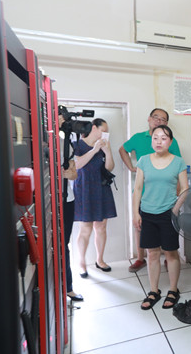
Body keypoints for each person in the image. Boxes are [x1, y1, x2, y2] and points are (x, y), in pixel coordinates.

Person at [120, 108, 182, 273]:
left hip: (165, 196)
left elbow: (177, 167)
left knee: (168, 230)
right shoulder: (139, 138)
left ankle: (170, 258)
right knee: (139, 226)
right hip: (143, 195)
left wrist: (177, 196)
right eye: (156, 117)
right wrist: (132, 168)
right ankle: (141, 259)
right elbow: (122, 149)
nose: (158, 121)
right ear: (149, 119)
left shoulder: (171, 141)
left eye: (163, 119)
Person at [132, 125, 187, 310]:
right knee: (152, 253)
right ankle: (153, 291)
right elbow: (138, 189)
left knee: (171, 253)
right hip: (147, 212)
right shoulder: (143, 161)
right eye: (155, 138)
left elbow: (185, 189)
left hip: (168, 213)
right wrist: (135, 212)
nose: (159, 141)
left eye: (163, 138)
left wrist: (175, 209)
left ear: (170, 142)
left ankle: (173, 290)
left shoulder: (178, 161)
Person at [73, 118, 117, 278]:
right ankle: (82, 262)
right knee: (85, 228)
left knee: (101, 226)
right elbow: (76, 165)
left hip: (101, 187)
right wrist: (94, 150)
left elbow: (109, 167)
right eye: (103, 130)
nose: (106, 134)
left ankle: (100, 259)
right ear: (94, 128)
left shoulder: (105, 145)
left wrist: (107, 152)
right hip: (84, 188)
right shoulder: (77, 144)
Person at [59, 114, 83, 301]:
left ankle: (68, 287)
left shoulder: (65, 143)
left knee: (63, 244)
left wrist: (65, 172)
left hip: (67, 200)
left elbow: (73, 175)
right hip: (51, 199)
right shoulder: (44, 142)